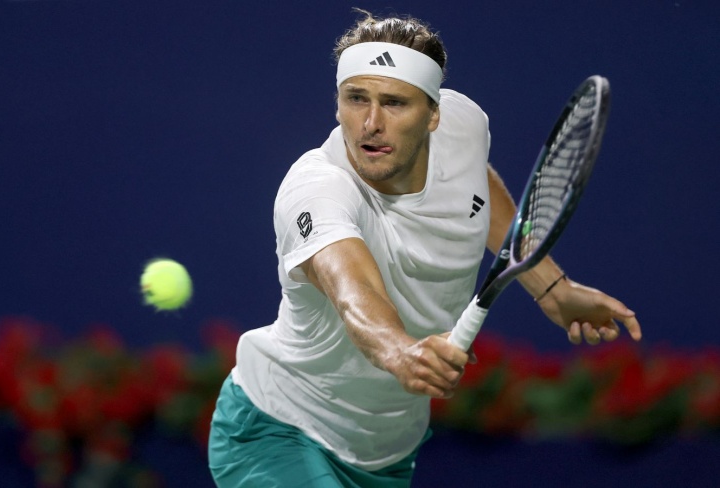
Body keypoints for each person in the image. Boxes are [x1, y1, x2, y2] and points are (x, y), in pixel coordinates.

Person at [208, 10, 642, 488]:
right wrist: (401, 352)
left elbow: (473, 186)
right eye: (356, 98)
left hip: (386, 455)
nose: (370, 124)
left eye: (395, 103)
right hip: (277, 431)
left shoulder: (462, 126)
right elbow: (353, 293)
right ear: (337, 104)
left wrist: (551, 288)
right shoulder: (315, 189)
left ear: (433, 114)